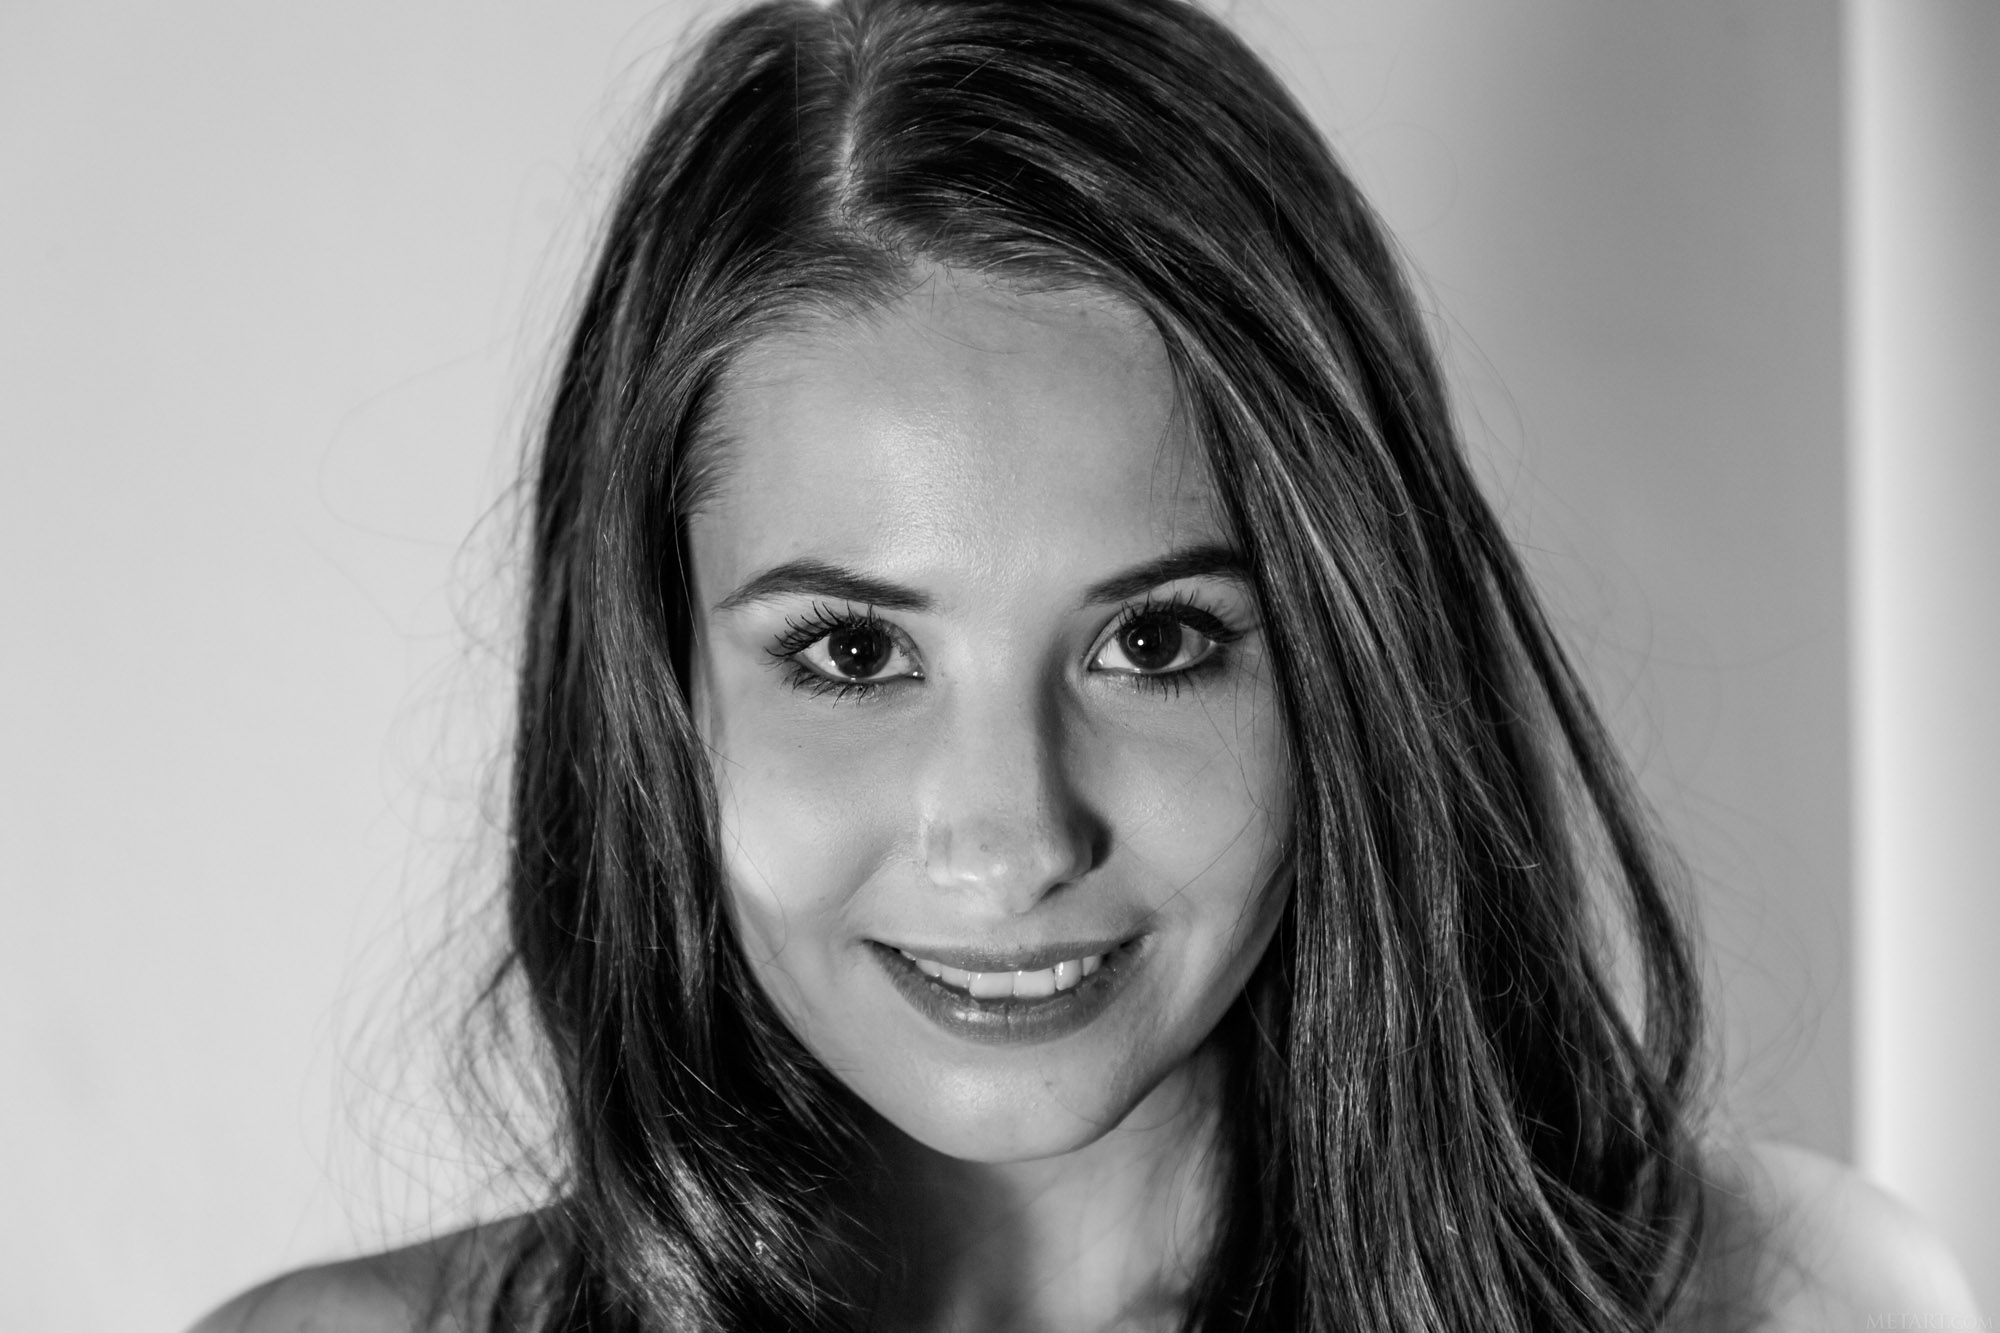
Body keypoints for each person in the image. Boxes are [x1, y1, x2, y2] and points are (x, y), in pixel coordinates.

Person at [192, 0, 1980, 1329]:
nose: (1010, 838)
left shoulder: (1784, 1304)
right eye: (853, 649)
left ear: (1350, 666)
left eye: (1154, 639)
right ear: (653, 689)